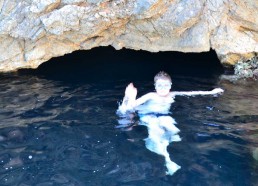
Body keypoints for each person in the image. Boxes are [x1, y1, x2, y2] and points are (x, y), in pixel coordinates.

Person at [118, 71, 224, 114]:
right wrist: (131, 99)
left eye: (166, 85)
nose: (163, 88)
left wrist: (211, 92)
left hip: (164, 115)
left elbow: (191, 93)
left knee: (172, 130)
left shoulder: (172, 94)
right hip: (148, 114)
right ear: (155, 86)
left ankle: (167, 157)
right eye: (160, 85)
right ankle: (127, 99)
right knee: (155, 131)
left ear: (170, 86)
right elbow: (135, 104)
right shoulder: (151, 95)